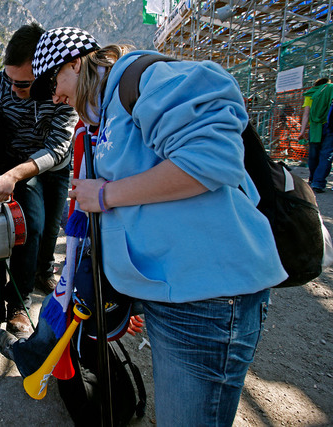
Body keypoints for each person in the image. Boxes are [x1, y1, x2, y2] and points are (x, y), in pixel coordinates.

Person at [29, 27, 288, 425]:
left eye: (53, 83)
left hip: (206, 300)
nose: (54, 97)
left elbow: (211, 159)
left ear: (75, 63)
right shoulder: (107, 111)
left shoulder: (142, 77)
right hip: (179, 294)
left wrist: (104, 195)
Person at [0, 23, 78, 337]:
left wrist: (13, 175)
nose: (15, 89)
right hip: (13, 163)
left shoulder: (64, 88)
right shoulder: (0, 85)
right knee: (28, 226)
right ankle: (17, 301)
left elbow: (58, 148)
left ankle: (42, 273)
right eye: (11, 81)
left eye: (26, 84)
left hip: (53, 166)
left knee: (49, 232)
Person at [298, 77, 332, 192]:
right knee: (326, 155)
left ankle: (312, 179)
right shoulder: (331, 89)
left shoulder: (311, 93)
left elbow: (306, 114)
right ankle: (318, 182)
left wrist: (302, 131)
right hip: (330, 126)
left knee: (313, 154)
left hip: (314, 127)